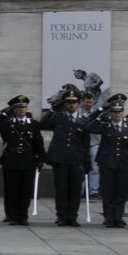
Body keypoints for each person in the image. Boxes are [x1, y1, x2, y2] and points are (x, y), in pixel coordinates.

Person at [40, 88, 92, 226]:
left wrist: (87, 161)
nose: (71, 105)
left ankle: (72, 216)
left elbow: (86, 143)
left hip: (76, 159)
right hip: (60, 158)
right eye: (68, 102)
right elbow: (43, 125)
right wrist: (52, 110)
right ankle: (62, 216)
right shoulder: (58, 117)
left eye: (74, 102)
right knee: (61, 189)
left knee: (75, 190)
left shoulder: (84, 121)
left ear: (79, 104)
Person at [87, 94, 128, 227]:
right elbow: (88, 127)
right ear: (110, 113)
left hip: (123, 163)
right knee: (108, 192)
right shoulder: (104, 125)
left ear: (123, 113)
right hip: (107, 162)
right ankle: (109, 218)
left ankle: (119, 217)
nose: (116, 114)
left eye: (119, 112)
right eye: (114, 112)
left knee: (121, 192)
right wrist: (100, 112)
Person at [0, 95, 44, 225]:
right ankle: (14, 215)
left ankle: (23, 215)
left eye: (23, 107)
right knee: (12, 189)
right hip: (12, 160)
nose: (21, 110)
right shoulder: (8, 123)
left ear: (27, 108)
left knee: (26, 190)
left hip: (27, 160)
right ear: (13, 110)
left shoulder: (33, 124)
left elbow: (39, 142)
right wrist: (4, 112)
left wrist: (41, 158)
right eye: (18, 107)